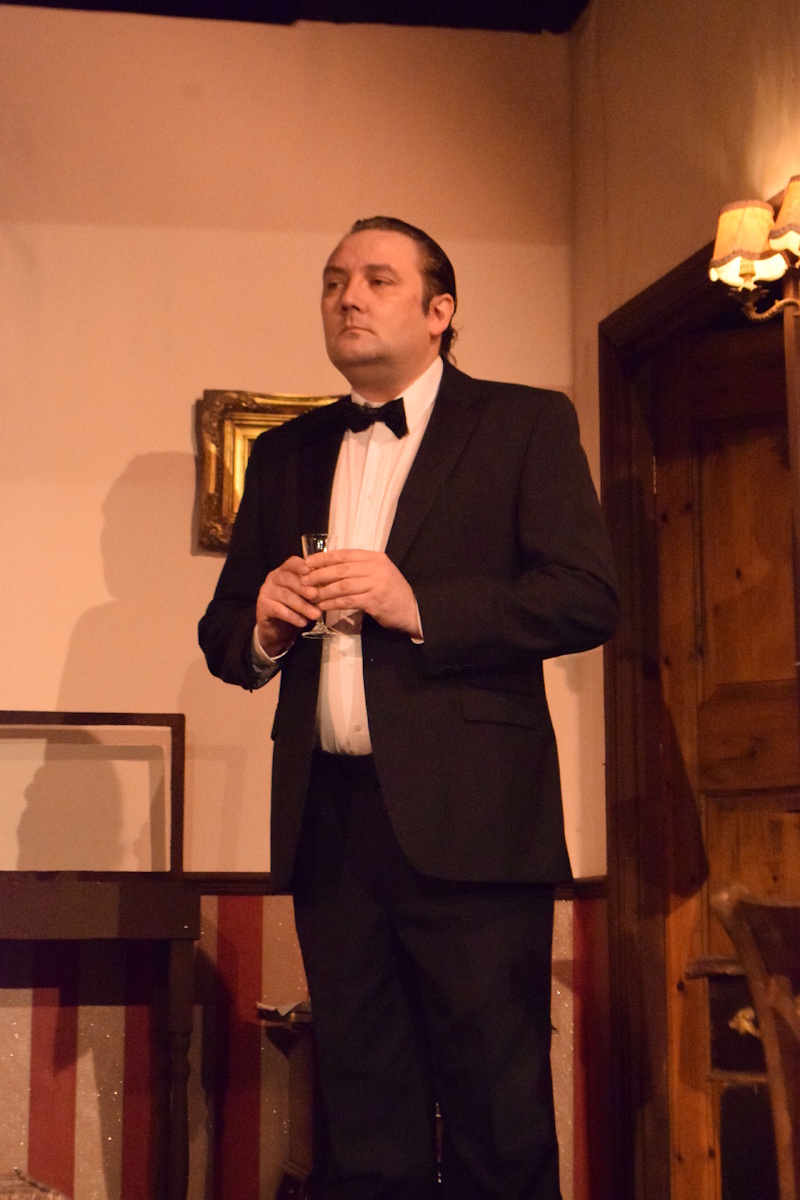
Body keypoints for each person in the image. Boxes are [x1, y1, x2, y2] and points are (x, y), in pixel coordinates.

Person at [199, 216, 619, 1200]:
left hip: (477, 825)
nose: (347, 296)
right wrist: (262, 623)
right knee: (361, 1121)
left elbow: (585, 597)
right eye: (333, 280)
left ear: (440, 311)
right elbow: (223, 634)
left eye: (376, 279)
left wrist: (418, 603)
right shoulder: (286, 452)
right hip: (329, 828)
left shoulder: (524, 423)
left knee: (496, 1112)